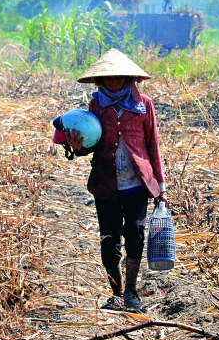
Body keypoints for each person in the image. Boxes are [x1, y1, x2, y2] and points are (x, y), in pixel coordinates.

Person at [60, 49, 168, 312]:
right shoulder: (96, 105)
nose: (113, 81)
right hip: (106, 183)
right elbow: (90, 143)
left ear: (129, 77)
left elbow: (153, 145)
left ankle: (132, 291)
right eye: (108, 77)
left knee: (134, 233)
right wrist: (76, 147)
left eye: (119, 76)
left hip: (136, 184)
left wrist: (161, 187)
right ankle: (116, 292)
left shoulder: (145, 105)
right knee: (108, 239)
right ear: (99, 80)